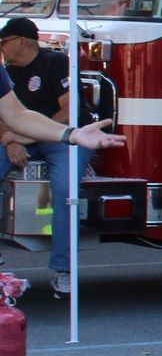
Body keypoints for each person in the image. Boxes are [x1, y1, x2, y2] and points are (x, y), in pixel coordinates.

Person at [0, 17, 125, 298]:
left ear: (20, 41)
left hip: (61, 137)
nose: (1, 48)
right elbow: (6, 116)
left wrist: (31, 136)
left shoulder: (55, 62)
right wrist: (10, 142)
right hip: (21, 138)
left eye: (3, 42)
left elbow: (68, 111)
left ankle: (63, 270)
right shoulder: (7, 70)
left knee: (65, 191)